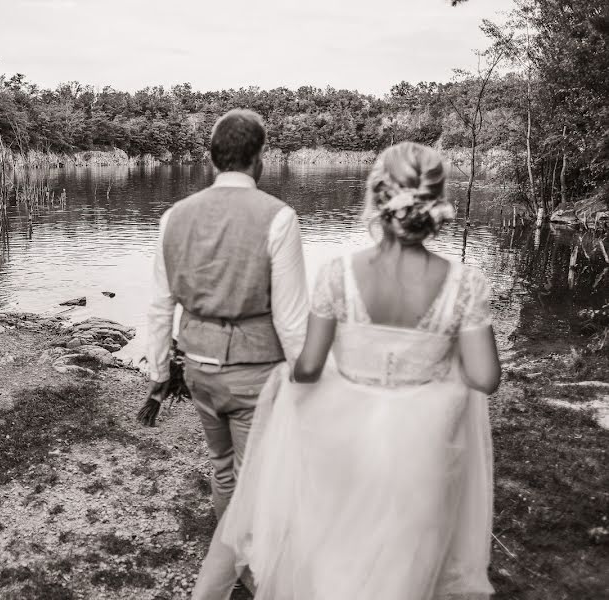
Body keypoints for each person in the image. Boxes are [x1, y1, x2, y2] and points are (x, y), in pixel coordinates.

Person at [193, 141, 501, 600]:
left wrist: (288, 379)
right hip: (424, 443)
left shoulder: (338, 274)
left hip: (343, 440)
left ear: (377, 198)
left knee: (333, 547)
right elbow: (485, 377)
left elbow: (311, 365)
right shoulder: (465, 285)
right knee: (406, 552)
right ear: (434, 202)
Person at [142, 109, 309, 524]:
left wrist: (160, 374)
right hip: (254, 372)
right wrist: (306, 383)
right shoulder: (279, 218)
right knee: (255, 474)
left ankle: (230, 560)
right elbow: (291, 321)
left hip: (199, 369)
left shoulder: (171, 218)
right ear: (260, 158)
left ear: (212, 158)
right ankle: (246, 570)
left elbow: (160, 306)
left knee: (223, 466)